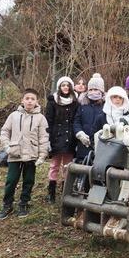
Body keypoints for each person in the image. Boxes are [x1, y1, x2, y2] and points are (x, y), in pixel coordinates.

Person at [0, 88, 49, 219]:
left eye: (32, 99)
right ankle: (7, 205)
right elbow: (4, 132)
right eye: (27, 98)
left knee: (29, 181)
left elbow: (44, 138)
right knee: (11, 180)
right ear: (22, 100)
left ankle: (24, 203)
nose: (30, 101)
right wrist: (7, 147)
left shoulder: (41, 118)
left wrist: (42, 156)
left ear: (37, 101)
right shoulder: (13, 116)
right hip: (15, 154)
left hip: (31, 156)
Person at [44, 76, 79, 204]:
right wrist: (48, 139)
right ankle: (51, 194)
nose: (65, 87)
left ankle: (66, 192)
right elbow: (48, 121)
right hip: (56, 138)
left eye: (68, 85)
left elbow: (76, 120)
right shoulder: (53, 101)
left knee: (67, 167)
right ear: (59, 87)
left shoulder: (75, 102)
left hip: (70, 138)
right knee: (54, 166)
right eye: (63, 85)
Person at [74, 73, 105, 161]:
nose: (93, 92)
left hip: (101, 146)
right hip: (83, 146)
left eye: (96, 89)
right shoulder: (82, 105)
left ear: (101, 91)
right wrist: (79, 133)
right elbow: (76, 122)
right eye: (90, 89)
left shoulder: (106, 106)